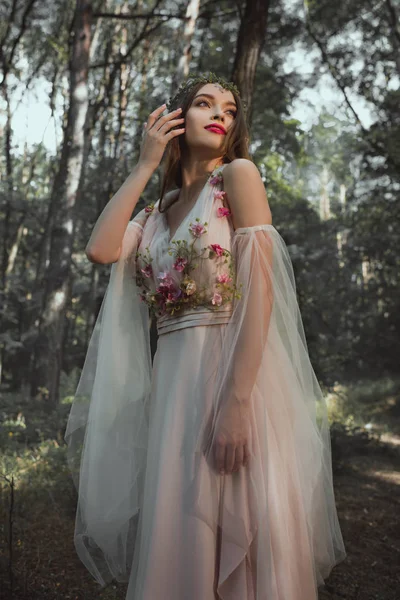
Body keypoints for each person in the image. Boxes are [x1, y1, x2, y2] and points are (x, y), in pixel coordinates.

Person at [65, 72, 346, 600]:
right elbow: (101, 251)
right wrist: (146, 164)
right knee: (181, 536)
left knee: (239, 538)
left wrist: (237, 402)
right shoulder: (154, 213)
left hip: (232, 378)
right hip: (173, 392)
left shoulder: (237, 176)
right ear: (175, 118)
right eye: (203, 103)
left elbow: (260, 288)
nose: (220, 113)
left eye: (230, 108)